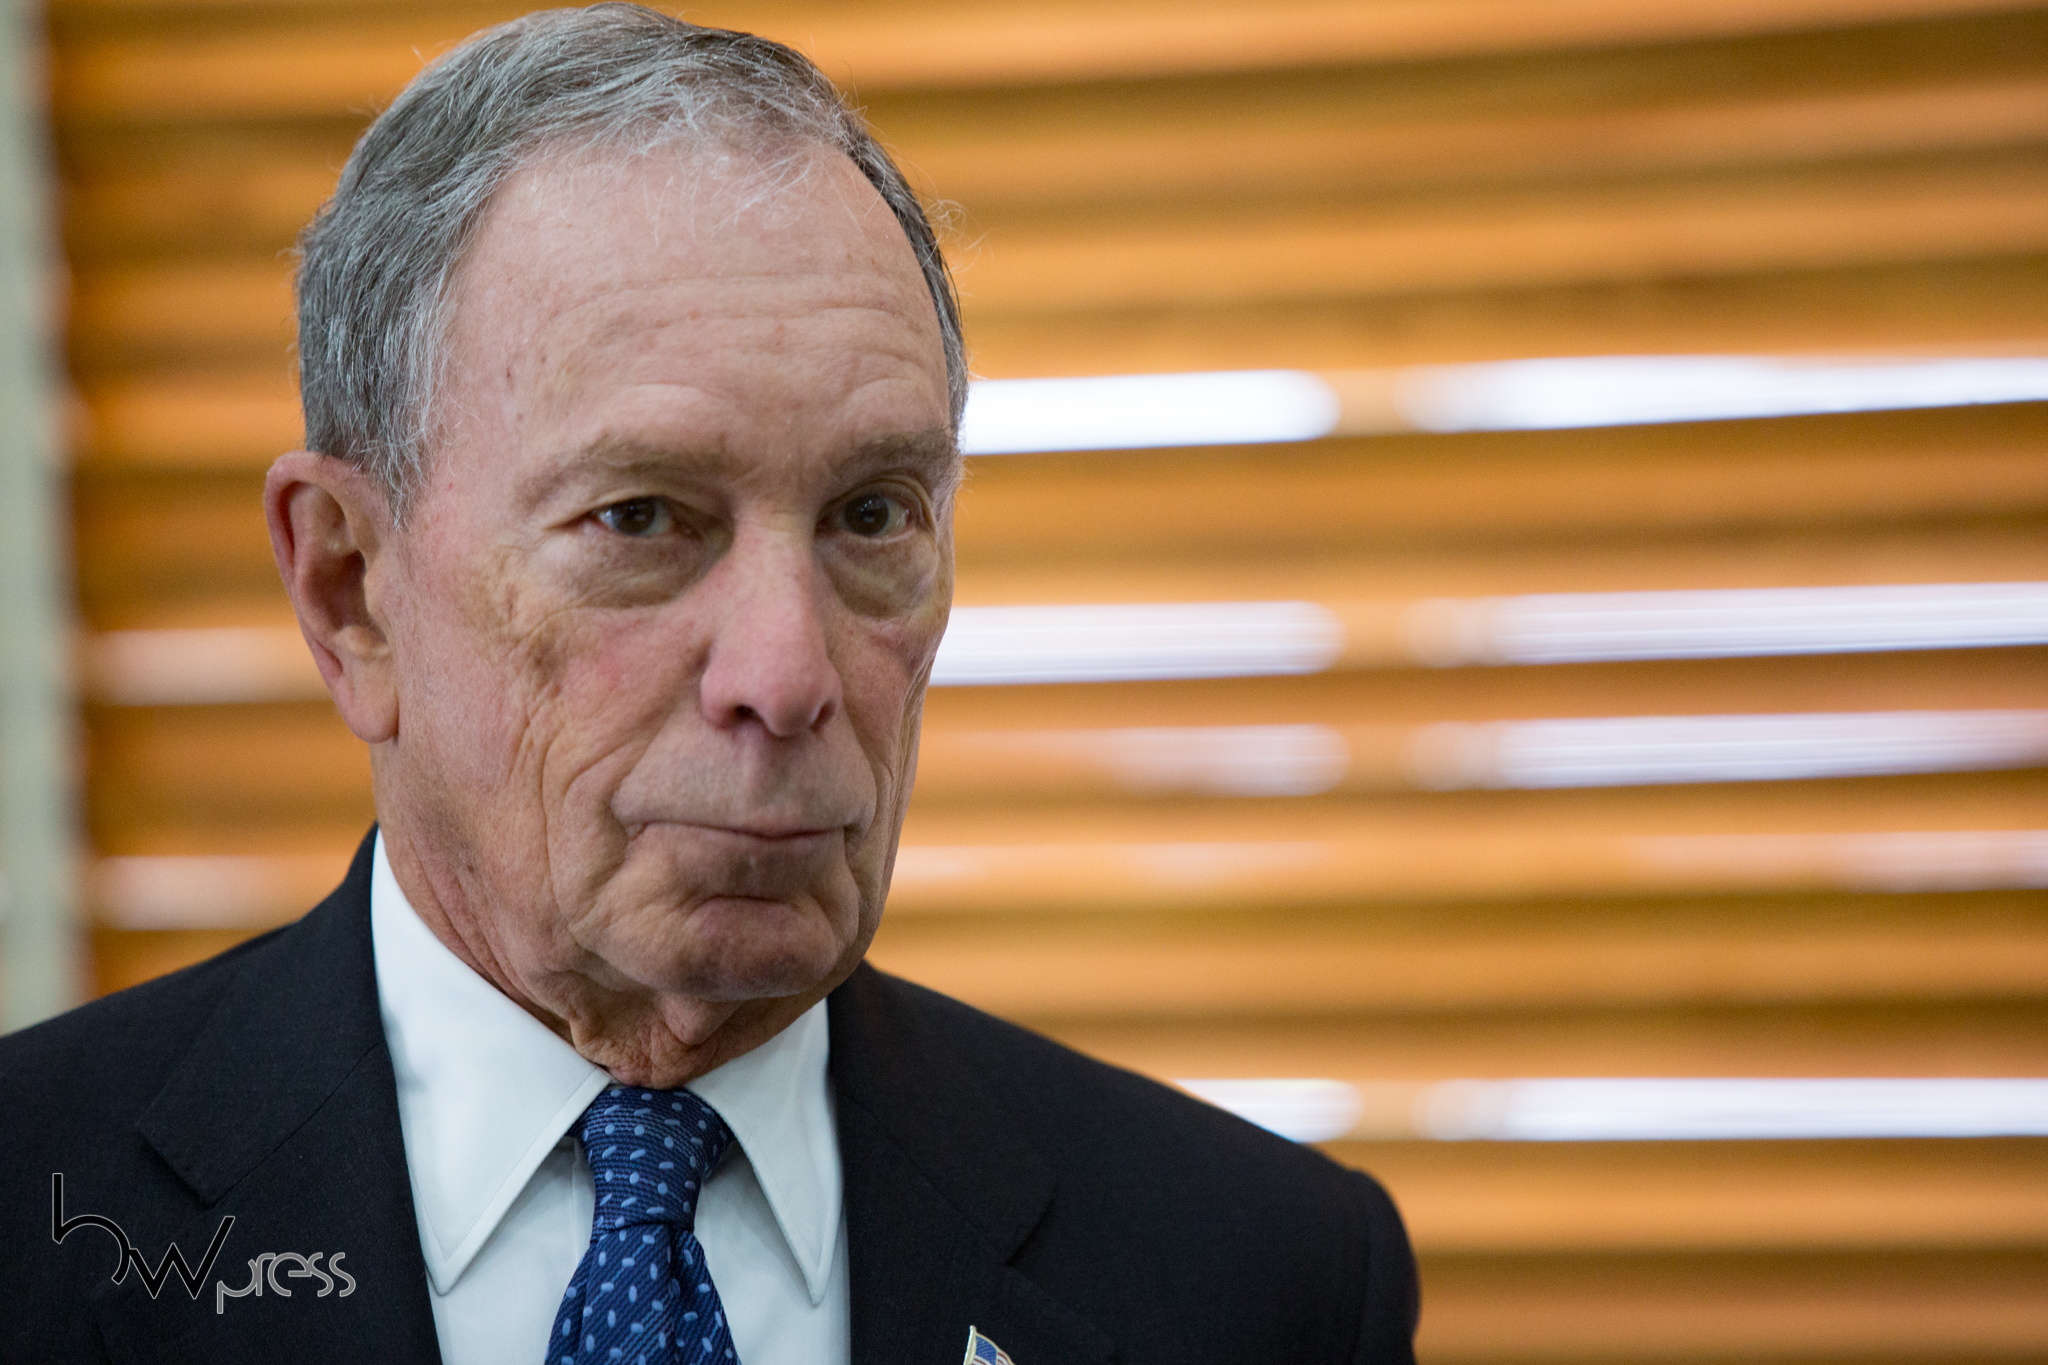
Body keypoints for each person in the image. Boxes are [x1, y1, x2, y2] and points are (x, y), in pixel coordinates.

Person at [0, 7, 1419, 1362]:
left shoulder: (1264, 1281)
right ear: (351, 591)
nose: (788, 676)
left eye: (872, 515)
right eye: (641, 519)